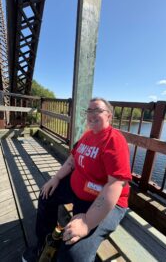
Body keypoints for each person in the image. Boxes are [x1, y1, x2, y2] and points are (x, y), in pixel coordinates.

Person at [22, 97, 132, 262]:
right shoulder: (88, 135)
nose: (91, 114)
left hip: (104, 201)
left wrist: (87, 222)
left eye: (97, 111)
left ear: (109, 116)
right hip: (78, 189)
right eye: (89, 111)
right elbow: (72, 159)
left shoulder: (114, 140)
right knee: (46, 195)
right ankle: (44, 245)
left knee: (74, 256)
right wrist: (56, 178)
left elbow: (114, 184)